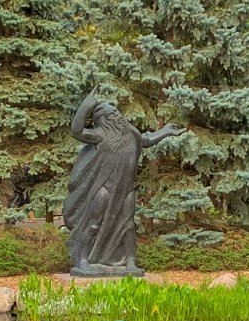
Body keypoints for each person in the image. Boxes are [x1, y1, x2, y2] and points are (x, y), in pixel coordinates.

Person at [62, 93, 183, 277]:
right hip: (103, 189)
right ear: (104, 120)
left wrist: (165, 131)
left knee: (128, 226)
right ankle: (83, 260)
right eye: (112, 115)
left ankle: (130, 262)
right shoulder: (100, 135)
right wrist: (85, 107)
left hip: (125, 190)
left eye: (117, 113)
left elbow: (146, 140)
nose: (118, 116)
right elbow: (76, 131)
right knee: (94, 225)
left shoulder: (131, 133)